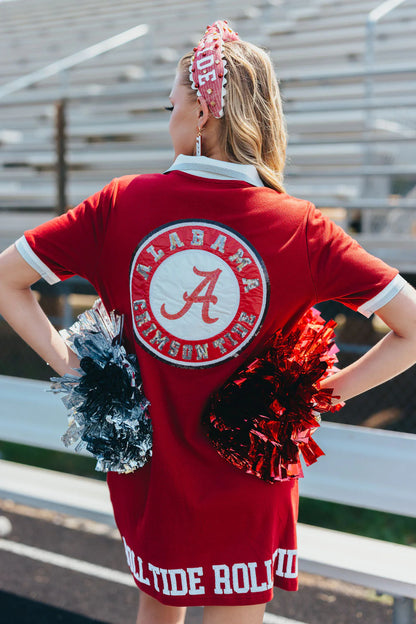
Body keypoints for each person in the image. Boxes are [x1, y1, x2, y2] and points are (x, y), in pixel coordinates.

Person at [0, 20, 416, 624]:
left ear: (201, 114)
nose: (167, 118)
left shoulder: (120, 203)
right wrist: (309, 397)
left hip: (150, 471)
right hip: (250, 473)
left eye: (172, 103)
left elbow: (6, 281)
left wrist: (79, 370)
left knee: (156, 612)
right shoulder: (301, 226)